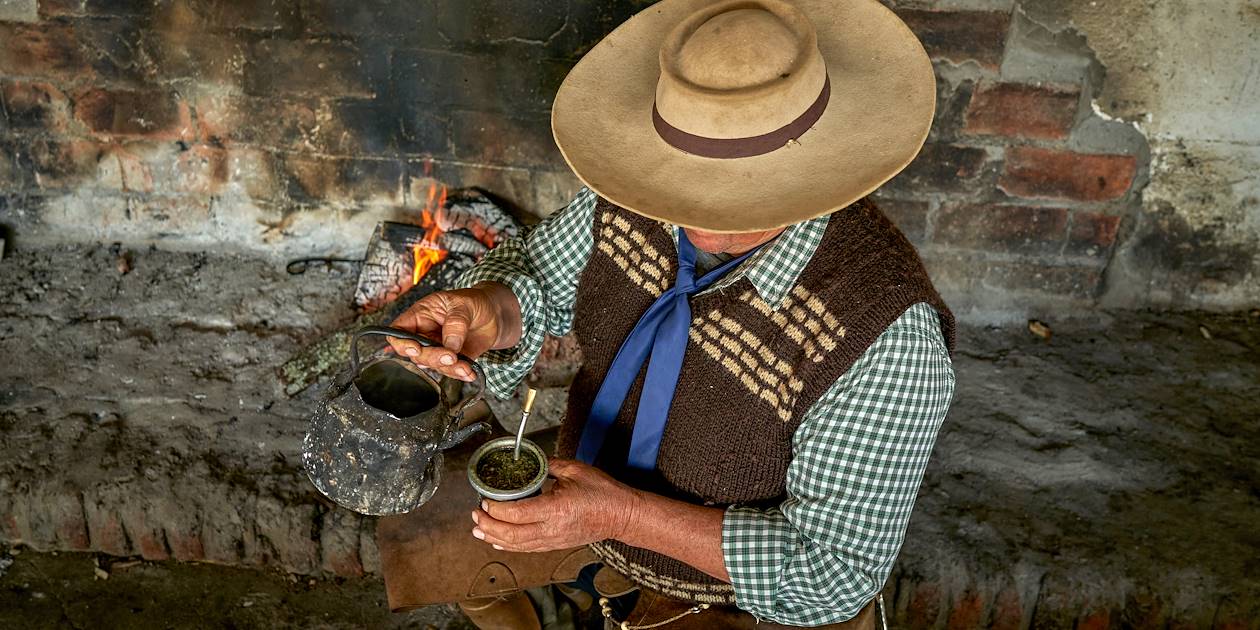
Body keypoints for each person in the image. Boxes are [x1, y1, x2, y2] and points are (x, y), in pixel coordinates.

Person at [384, 0, 955, 627]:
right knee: (420, 532)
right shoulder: (642, 193)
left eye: (732, 190)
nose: (691, 211)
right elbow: (537, 278)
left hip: (730, 592)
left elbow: (830, 572)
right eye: (684, 178)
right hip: (594, 486)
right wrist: (483, 310)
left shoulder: (889, 331)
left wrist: (621, 515)